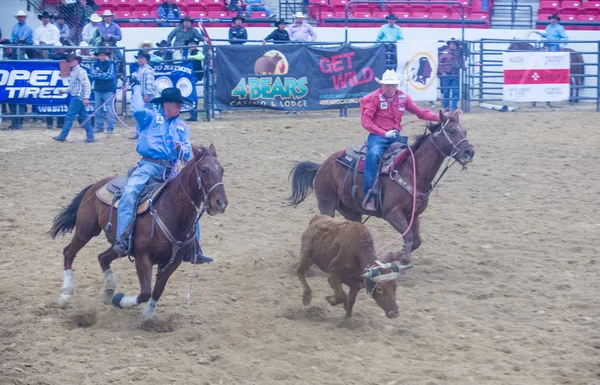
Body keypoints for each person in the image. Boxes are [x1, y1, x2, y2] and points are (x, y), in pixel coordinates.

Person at [112, 87, 213, 264]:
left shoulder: (182, 126)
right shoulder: (150, 117)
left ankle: (194, 248)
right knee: (130, 192)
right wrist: (136, 89)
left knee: (190, 200)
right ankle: (123, 238)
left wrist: (181, 148)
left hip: (171, 170)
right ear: (167, 104)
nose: (180, 108)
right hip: (148, 166)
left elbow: (187, 150)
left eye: (181, 105)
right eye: (177, 104)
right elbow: (136, 110)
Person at [360, 69, 440, 211]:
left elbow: (421, 113)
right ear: (382, 85)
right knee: (373, 155)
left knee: (411, 158)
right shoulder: (374, 98)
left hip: (396, 136)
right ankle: (370, 194)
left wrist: (440, 118)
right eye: (387, 85)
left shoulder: (404, 98)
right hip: (378, 137)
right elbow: (366, 121)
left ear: (397, 86)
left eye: (392, 85)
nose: (390, 88)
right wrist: (384, 133)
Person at [52, 54, 95, 143]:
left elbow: (87, 85)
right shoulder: (76, 71)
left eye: (73, 61)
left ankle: (63, 136)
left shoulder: (80, 71)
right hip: (78, 97)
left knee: (70, 116)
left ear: (77, 61)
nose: (71, 62)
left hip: (78, 97)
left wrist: (86, 97)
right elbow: (72, 87)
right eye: (70, 61)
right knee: (84, 116)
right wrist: (64, 91)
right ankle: (90, 136)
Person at [129, 51, 156, 139]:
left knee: (148, 113)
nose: (140, 60)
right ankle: (140, 132)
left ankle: (149, 131)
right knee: (141, 113)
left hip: (146, 95)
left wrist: (147, 94)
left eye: (142, 58)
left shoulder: (148, 70)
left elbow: (149, 84)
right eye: (139, 58)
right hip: (142, 95)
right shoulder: (141, 69)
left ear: (146, 59)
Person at [89, 49, 116, 133]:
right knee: (98, 109)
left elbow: (109, 76)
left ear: (106, 56)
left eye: (103, 55)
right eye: (100, 55)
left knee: (109, 109)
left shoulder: (110, 64)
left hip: (108, 89)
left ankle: (110, 128)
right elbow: (92, 75)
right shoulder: (95, 64)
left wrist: (97, 74)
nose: (102, 57)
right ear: (98, 56)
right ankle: (99, 127)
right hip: (98, 89)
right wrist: (102, 74)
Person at [438, 38, 464, 111]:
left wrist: (461, 42)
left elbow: (465, 49)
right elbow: (440, 63)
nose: (452, 45)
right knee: (446, 91)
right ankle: (446, 107)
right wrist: (442, 72)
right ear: (449, 45)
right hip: (446, 74)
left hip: (455, 74)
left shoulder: (458, 52)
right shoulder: (445, 52)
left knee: (455, 91)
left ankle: (454, 107)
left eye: (454, 44)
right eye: (451, 44)